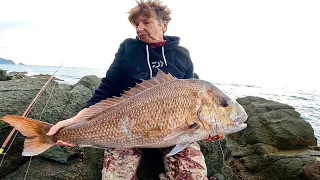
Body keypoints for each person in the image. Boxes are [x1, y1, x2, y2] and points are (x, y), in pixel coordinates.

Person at [46, 0, 208, 179]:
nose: (139, 29)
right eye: (136, 24)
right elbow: (108, 86)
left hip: (174, 129)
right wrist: (76, 120)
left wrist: (209, 128)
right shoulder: (128, 48)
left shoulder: (182, 54)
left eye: (146, 22)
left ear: (164, 24)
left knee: (194, 176)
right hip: (124, 126)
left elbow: (189, 91)